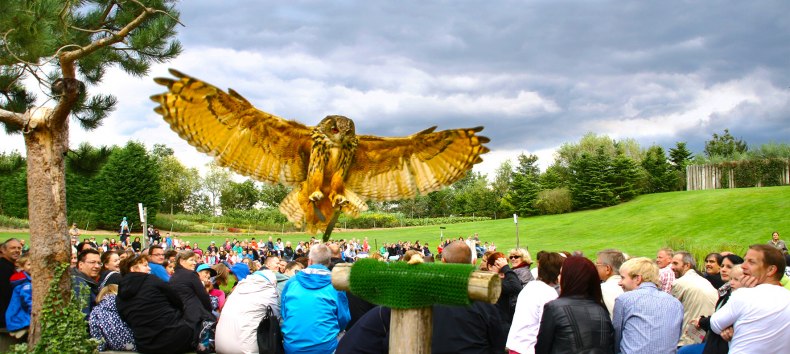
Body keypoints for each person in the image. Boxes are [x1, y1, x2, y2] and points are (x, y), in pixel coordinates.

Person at [710, 244, 790, 352]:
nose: (743, 266)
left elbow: (715, 324)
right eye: (744, 260)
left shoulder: (744, 295)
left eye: (751, 262)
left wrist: (741, 290)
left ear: (771, 270)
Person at [116, 254, 195, 353]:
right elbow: (177, 300)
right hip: (176, 338)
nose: (149, 268)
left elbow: (125, 318)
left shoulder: (120, 293)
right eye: (145, 265)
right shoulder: (152, 280)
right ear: (133, 269)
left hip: (146, 345)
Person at [535, 256, 614, 353]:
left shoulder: (554, 308)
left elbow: (542, 348)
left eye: (561, 274)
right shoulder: (601, 310)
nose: (558, 278)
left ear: (569, 277)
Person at [281, 243, 351, 354]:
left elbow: (285, 313)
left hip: (292, 346)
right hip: (325, 347)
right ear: (329, 263)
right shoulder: (336, 285)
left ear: (309, 261)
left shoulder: (291, 282)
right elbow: (344, 319)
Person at [613, 257, 683, 354]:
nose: (620, 282)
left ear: (637, 278)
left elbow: (617, 337)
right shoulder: (675, 303)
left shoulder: (625, 299)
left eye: (623, 278)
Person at [215, 261, 281, 354]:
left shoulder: (238, 288)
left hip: (220, 344)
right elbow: (276, 318)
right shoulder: (268, 292)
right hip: (245, 349)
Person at [507, 251, 564, 354]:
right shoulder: (549, 293)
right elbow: (547, 327)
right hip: (529, 348)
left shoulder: (531, 286)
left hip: (517, 345)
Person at [671, 251, 718, 347]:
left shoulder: (680, 283)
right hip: (707, 334)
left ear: (687, 265)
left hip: (690, 336)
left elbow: (671, 313)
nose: (672, 267)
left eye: (675, 263)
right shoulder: (703, 281)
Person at [170, 250, 214, 340]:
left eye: (195, 260)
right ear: (182, 261)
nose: (195, 263)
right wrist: (209, 312)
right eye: (191, 260)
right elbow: (204, 296)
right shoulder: (191, 274)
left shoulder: (173, 277)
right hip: (195, 315)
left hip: (181, 315)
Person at [89, 284, 136, 351]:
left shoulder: (95, 312)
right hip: (135, 344)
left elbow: (97, 338)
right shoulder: (125, 305)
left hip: (116, 347)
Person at [487, 252, 521, 335]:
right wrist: (506, 268)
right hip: (495, 328)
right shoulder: (490, 281)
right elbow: (516, 287)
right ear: (490, 267)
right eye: (498, 266)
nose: (502, 270)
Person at [5, 255, 31, 338]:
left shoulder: (26, 280)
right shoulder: (26, 284)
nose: (33, 266)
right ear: (22, 267)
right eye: (29, 264)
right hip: (19, 317)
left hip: (15, 316)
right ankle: (20, 328)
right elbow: (27, 301)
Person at [72, 248, 102, 317]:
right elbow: (83, 316)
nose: (97, 266)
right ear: (80, 264)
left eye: (99, 263)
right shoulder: (79, 284)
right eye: (92, 262)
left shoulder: (87, 282)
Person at [596, 249, 625, 318]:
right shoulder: (631, 286)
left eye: (597, 264)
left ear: (607, 269)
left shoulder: (601, 289)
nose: (595, 267)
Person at [0, 238, 22, 328]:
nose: (17, 250)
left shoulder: (10, 266)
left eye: (19, 248)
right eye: (12, 248)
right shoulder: (3, 267)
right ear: (3, 251)